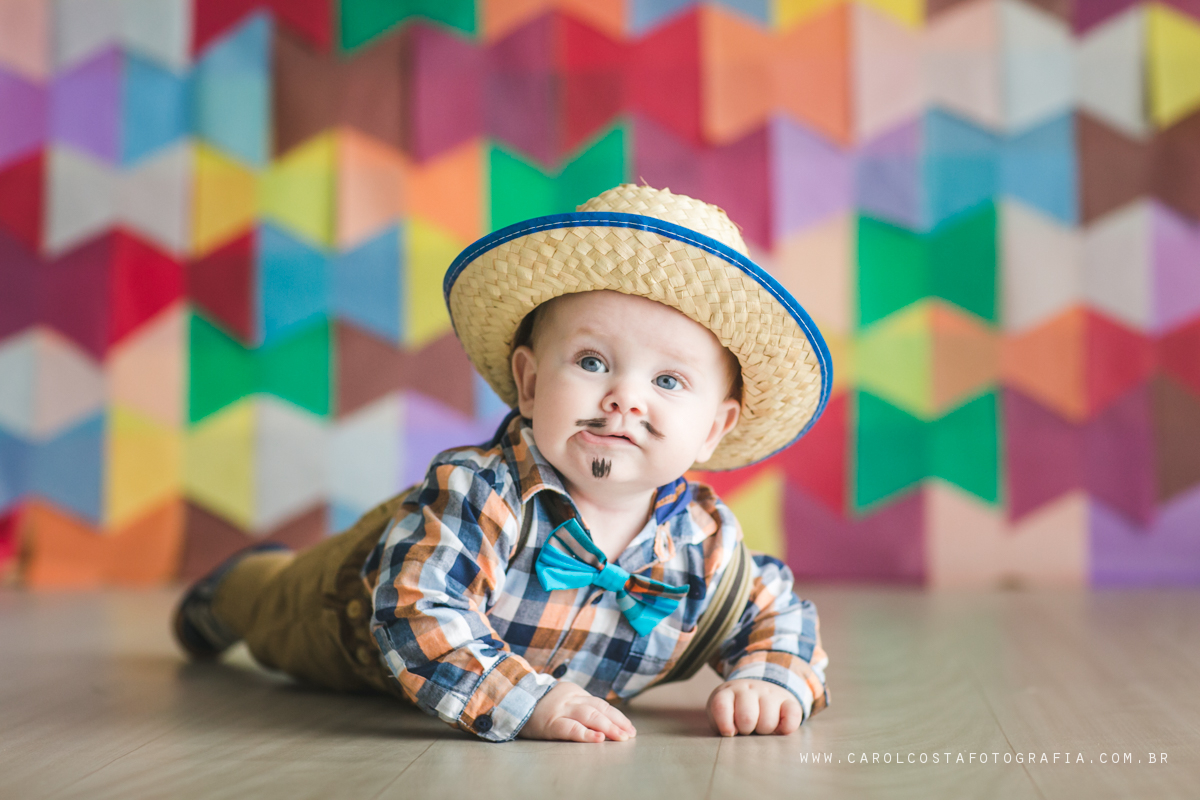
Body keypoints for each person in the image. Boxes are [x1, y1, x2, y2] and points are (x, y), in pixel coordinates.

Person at [173, 183, 833, 743]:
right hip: (348, 614)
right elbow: (419, 608)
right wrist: (532, 703)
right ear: (531, 382)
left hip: (505, 674)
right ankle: (237, 587)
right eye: (592, 362)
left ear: (713, 429)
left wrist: (770, 676)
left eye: (668, 382)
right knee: (274, 612)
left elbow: (777, 612)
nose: (624, 398)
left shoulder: (706, 549)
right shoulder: (478, 493)